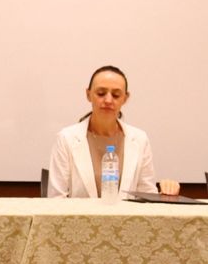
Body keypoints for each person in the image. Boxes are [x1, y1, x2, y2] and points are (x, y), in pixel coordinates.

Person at [48, 65, 179, 198]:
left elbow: (146, 194)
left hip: (127, 213)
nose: (108, 100)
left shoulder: (140, 139)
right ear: (88, 95)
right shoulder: (66, 138)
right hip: (79, 213)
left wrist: (167, 192)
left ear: (125, 98)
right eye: (101, 93)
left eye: (116, 95)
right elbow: (56, 198)